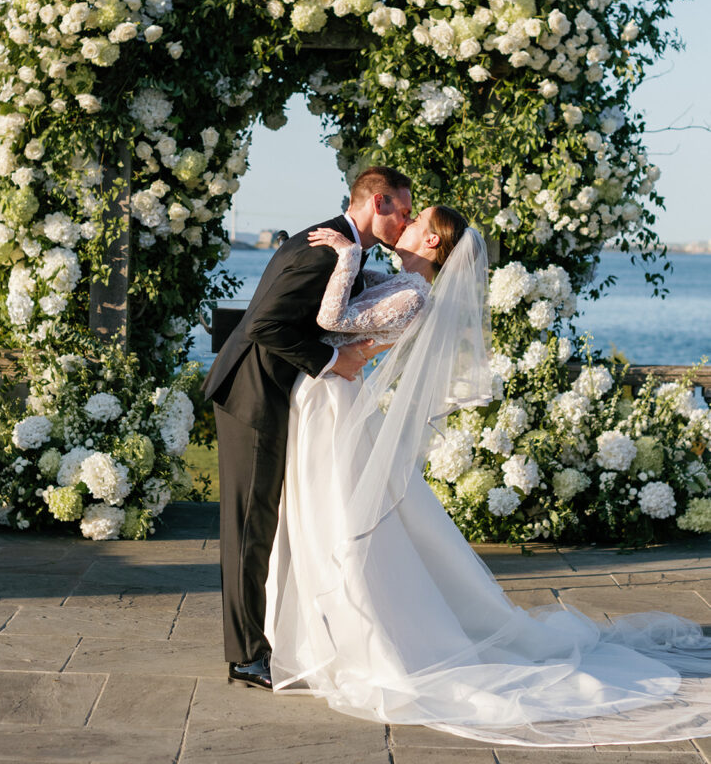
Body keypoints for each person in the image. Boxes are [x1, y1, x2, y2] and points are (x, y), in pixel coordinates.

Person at [264, 206, 711, 748]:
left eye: (413, 219)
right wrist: (345, 261)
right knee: (328, 511)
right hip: (331, 395)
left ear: (430, 239)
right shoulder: (403, 282)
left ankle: (365, 634)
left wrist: (347, 251)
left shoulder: (412, 293)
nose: (401, 223)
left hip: (335, 399)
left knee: (337, 514)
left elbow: (332, 320)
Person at [202, 166, 413, 690]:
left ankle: (266, 639)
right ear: (378, 201)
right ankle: (246, 656)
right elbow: (263, 324)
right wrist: (331, 363)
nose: (405, 222)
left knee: (265, 525)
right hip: (252, 395)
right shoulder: (323, 249)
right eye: (404, 211)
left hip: (273, 394)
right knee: (250, 528)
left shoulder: (343, 248)